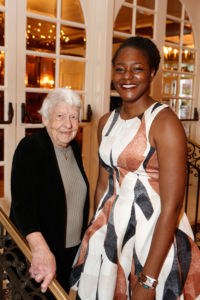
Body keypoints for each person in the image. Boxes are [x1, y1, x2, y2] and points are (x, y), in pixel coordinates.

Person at [70, 37, 200, 300]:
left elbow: (173, 206)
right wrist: (94, 233)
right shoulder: (107, 121)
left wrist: (149, 278)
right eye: (120, 68)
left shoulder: (164, 122)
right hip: (110, 232)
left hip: (152, 236)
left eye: (137, 68)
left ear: (152, 72)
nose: (127, 76)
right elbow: (102, 183)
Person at [9, 88, 89, 298]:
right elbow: (22, 206)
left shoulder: (72, 147)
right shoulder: (31, 148)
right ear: (45, 119)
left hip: (68, 248)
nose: (68, 124)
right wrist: (40, 251)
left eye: (73, 117)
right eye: (60, 116)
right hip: (38, 252)